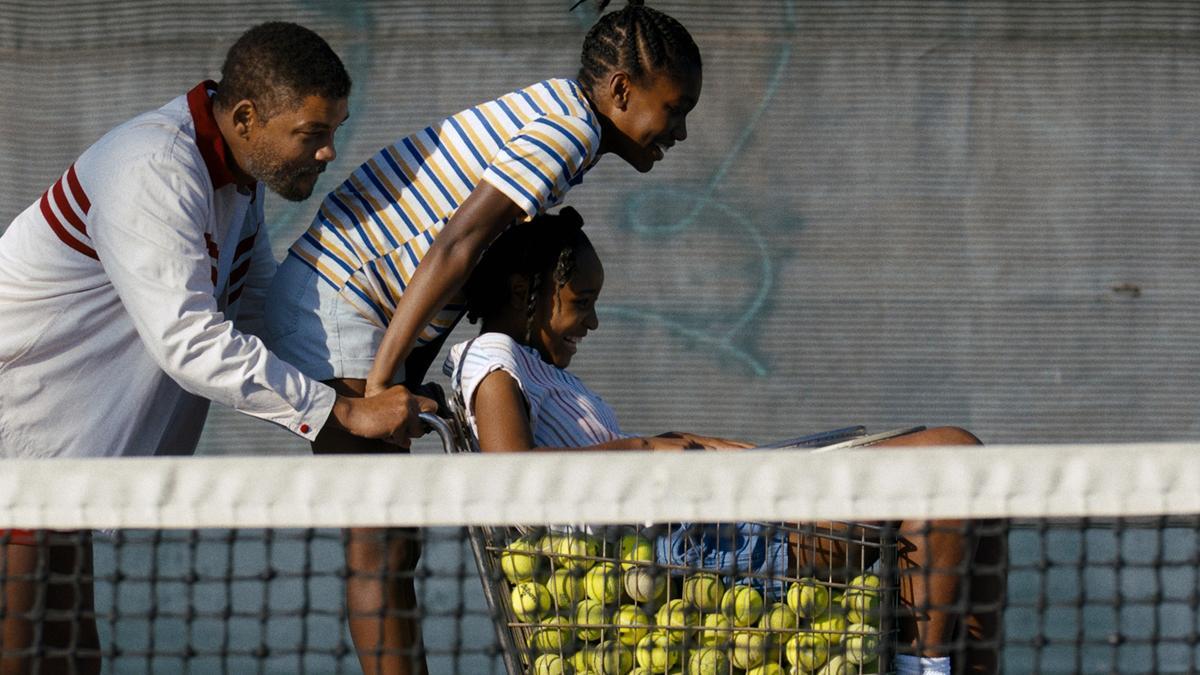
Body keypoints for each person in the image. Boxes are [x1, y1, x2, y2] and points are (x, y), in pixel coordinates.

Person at [262, 2, 704, 672]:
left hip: (357, 313)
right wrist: (384, 382)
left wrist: (403, 372)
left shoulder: (564, 120)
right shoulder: (567, 133)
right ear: (621, 91)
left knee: (393, 543)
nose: (681, 130)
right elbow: (456, 243)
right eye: (674, 108)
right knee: (379, 543)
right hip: (337, 304)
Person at [0, 23, 435, 674]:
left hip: (58, 463)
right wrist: (334, 412)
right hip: (17, 443)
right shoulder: (153, 169)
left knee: (70, 657)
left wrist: (342, 396)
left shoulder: (236, 179)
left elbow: (255, 307)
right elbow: (189, 340)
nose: (328, 153)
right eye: (313, 133)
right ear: (245, 116)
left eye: (333, 131)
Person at [444, 208, 1005, 675]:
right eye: (581, 302)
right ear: (525, 292)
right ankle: (922, 669)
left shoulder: (538, 368)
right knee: (950, 460)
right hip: (691, 556)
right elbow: (511, 482)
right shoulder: (494, 358)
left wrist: (690, 444)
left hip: (702, 528)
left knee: (973, 485)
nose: (592, 322)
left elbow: (607, 455)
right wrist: (643, 451)